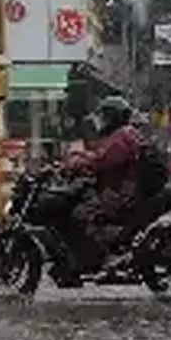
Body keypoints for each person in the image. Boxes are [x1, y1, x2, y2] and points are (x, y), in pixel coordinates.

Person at [61, 96, 145, 269]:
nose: (102, 121)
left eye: (105, 116)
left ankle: (103, 257)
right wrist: (79, 156)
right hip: (120, 187)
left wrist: (77, 163)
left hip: (117, 193)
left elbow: (101, 161)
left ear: (114, 117)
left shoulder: (122, 137)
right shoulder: (126, 134)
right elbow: (102, 157)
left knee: (78, 214)